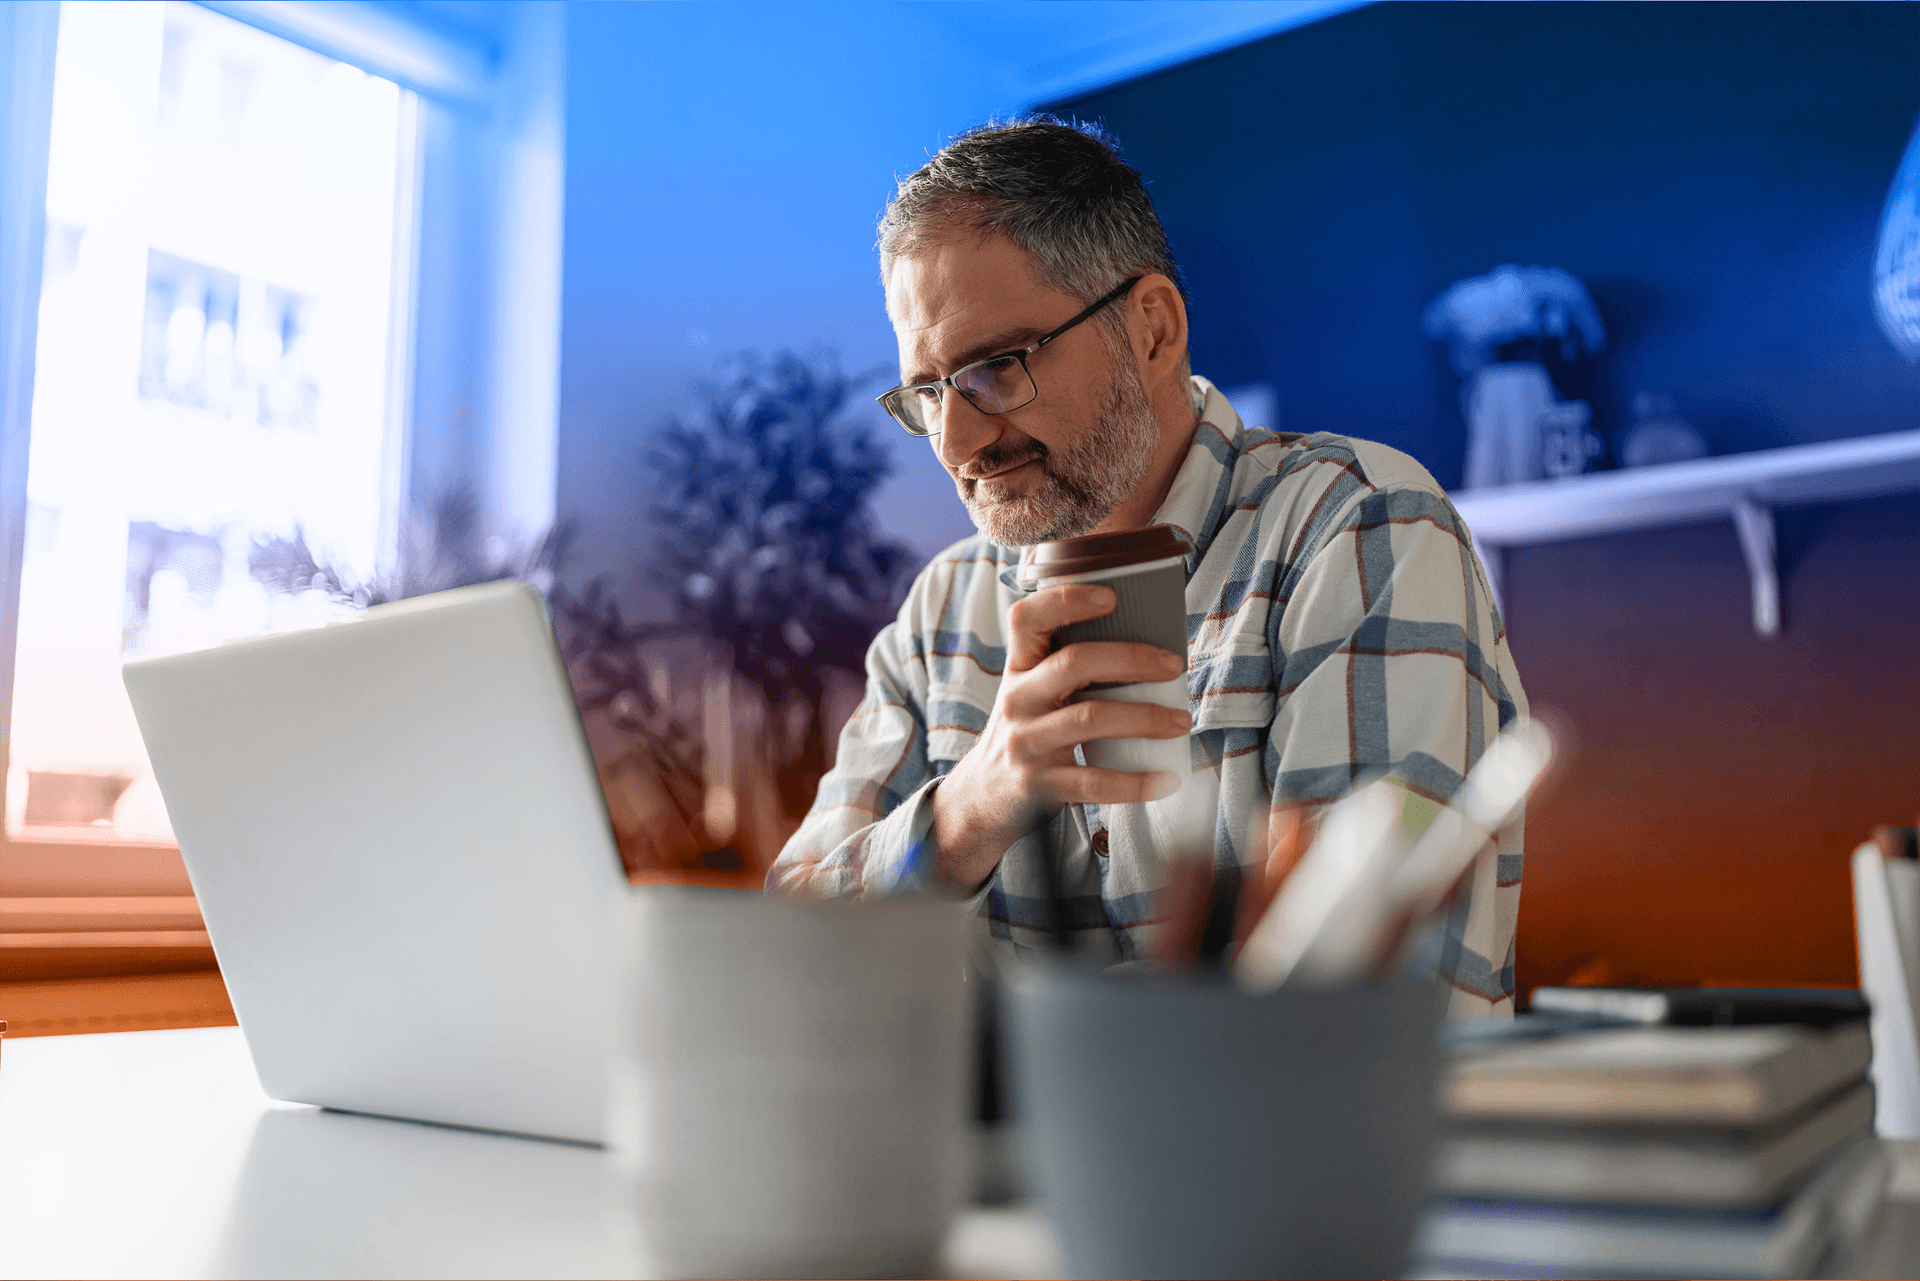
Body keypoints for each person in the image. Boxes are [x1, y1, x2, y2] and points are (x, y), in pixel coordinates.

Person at [766, 117, 1527, 1018]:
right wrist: (975, 802)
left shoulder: (1357, 526)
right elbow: (783, 963)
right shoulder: (943, 611)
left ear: (1154, 330)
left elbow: (1358, 1010)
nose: (956, 442)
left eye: (995, 369)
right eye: (928, 394)